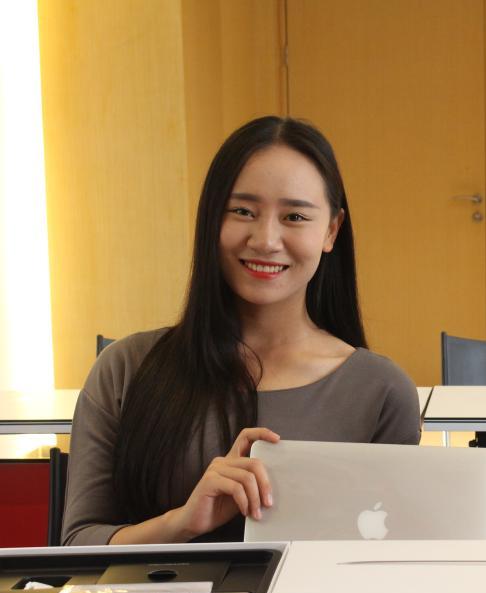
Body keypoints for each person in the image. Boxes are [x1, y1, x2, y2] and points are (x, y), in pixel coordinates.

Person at [62, 117, 421, 546]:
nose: (266, 240)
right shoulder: (125, 369)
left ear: (331, 231)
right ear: (211, 218)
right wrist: (182, 522)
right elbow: (78, 545)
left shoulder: (381, 391)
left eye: (294, 216)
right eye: (243, 211)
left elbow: (390, 562)